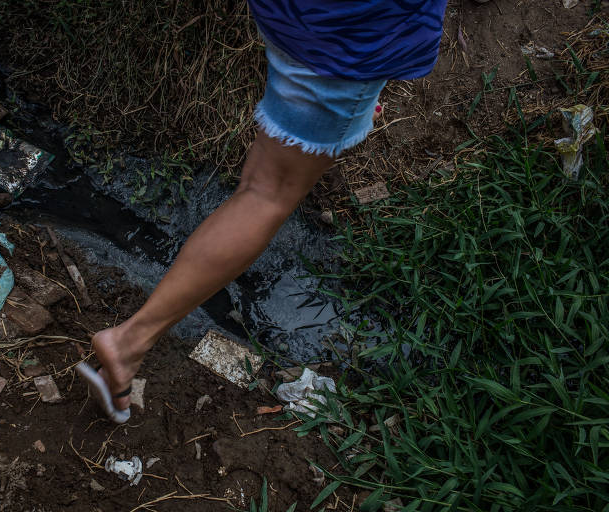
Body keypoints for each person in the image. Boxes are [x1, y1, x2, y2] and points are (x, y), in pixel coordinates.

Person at [85, 0, 448, 422]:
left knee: (265, 178)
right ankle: (129, 342)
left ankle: (331, 112)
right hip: (348, 42)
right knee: (265, 195)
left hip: (292, 16)